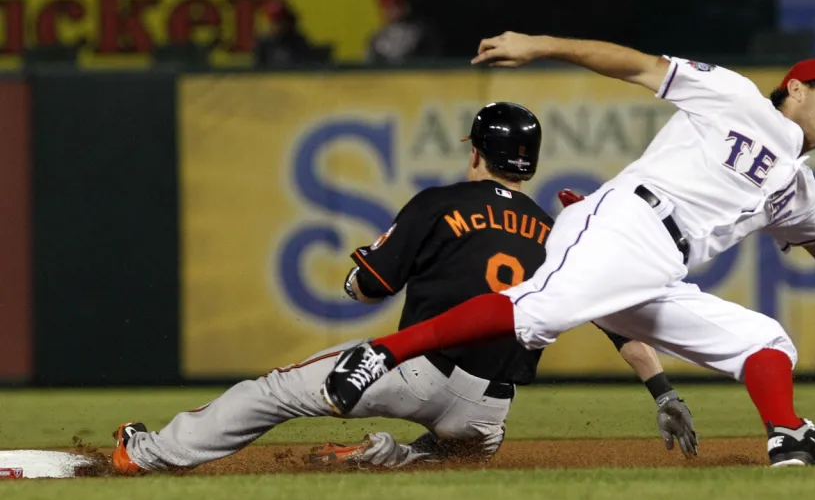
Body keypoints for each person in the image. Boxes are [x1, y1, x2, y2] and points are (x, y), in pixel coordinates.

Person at [322, 31, 815, 467]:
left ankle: (786, 435)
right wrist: (540, 46)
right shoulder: (735, 96)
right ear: (797, 88)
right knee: (531, 313)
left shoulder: (799, 187)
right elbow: (635, 64)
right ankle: (379, 354)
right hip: (628, 223)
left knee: (767, 342)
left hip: (658, 269)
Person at [111, 102, 697, 475]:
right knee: (455, 460)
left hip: (416, 371)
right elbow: (622, 327)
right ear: (530, 165)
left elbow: (368, 289)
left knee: (271, 393)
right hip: (487, 413)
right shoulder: (561, 233)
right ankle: (388, 457)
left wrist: (357, 274)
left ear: (474, 151)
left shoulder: (438, 204)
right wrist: (664, 393)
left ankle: (147, 455)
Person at [365, 0, 443, 63]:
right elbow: (369, 67)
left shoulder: (421, 33)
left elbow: (433, 61)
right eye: (390, 6)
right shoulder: (378, 39)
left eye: (398, 5)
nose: (394, 10)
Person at [254, 0, 315, 66]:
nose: (277, 26)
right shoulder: (265, 45)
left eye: (280, 21)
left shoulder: (298, 43)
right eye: (274, 22)